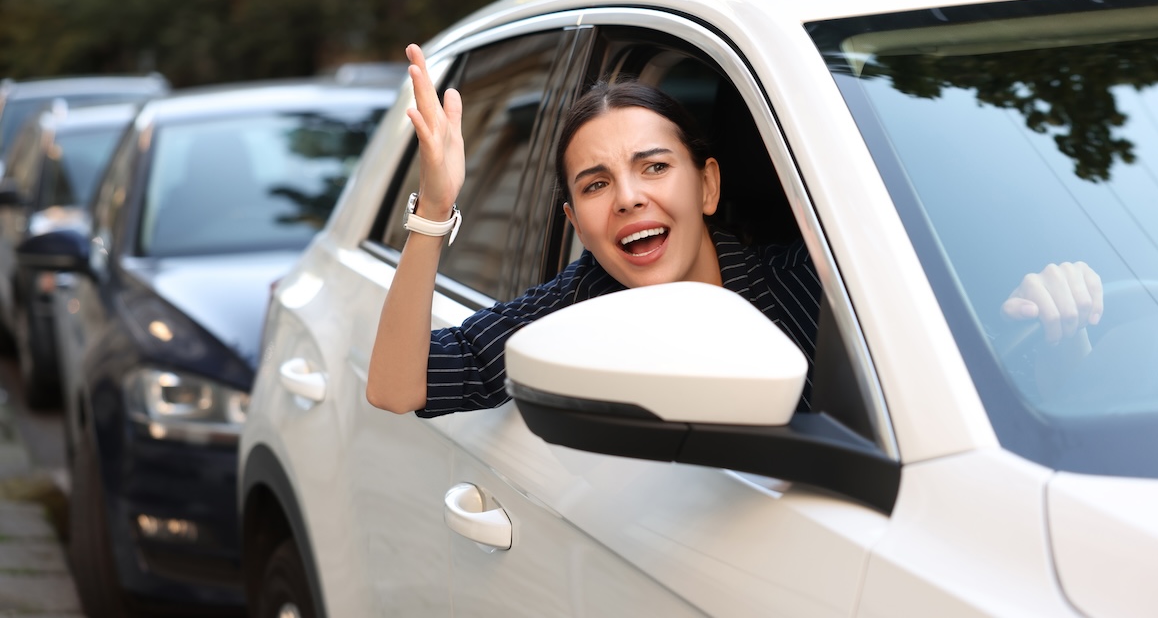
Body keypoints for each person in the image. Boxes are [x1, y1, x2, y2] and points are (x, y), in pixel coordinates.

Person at [366, 44, 1104, 417]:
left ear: (708, 184)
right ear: (575, 223)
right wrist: (434, 208)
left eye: (654, 167)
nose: (627, 198)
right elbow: (400, 388)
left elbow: (943, 404)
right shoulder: (578, 303)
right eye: (595, 185)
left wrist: (1056, 326)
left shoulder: (818, 288)